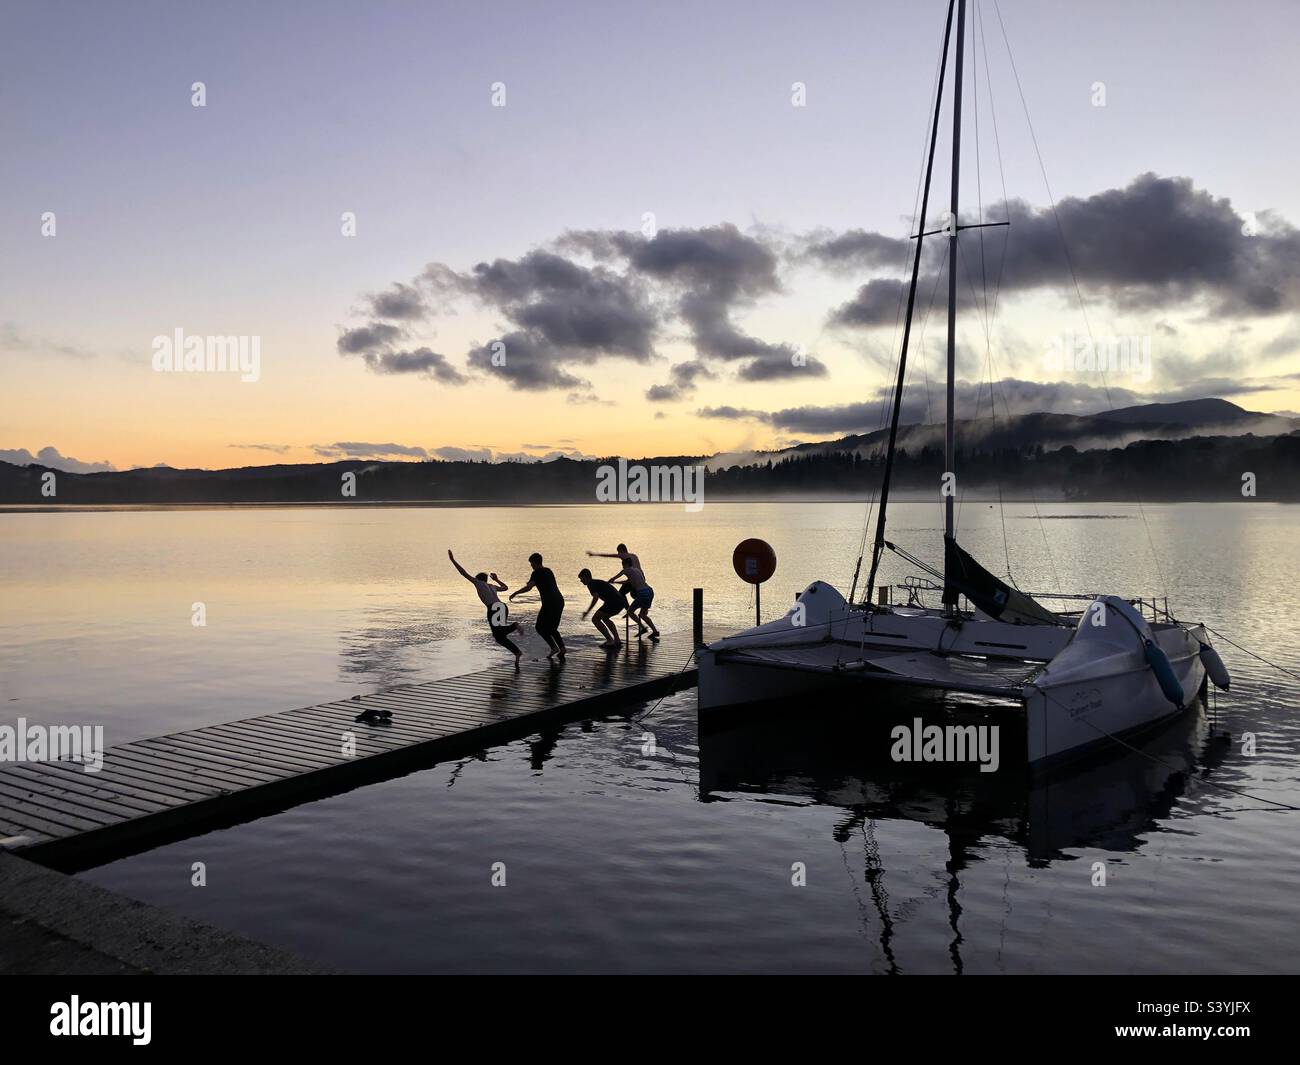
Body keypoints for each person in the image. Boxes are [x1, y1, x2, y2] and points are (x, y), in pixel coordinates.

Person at [448, 549, 521, 666]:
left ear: (478, 579)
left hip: (493, 609)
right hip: (502, 606)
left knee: (498, 635)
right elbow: (505, 588)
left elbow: (463, 572)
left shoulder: (478, 582)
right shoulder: (491, 585)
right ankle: (517, 652)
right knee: (500, 635)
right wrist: (496, 579)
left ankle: (514, 626)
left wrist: (452, 560)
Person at [510, 552, 566, 659]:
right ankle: (562, 649)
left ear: (535, 563)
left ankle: (554, 648)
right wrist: (531, 583)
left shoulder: (536, 573)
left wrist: (516, 592)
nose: (531, 566)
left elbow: (529, 587)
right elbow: (542, 582)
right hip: (559, 601)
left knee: (539, 627)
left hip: (550, 603)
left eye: (531, 563)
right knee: (552, 628)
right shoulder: (548, 571)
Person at [609, 556, 659, 640]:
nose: (623, 567)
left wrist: (612, 579)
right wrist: (615, 582)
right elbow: (628, 582)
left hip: (642, 594)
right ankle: (654, 631)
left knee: (630, 612)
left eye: (623, 565)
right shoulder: (637, 570)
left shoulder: (627, 569)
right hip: (649, 591)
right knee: (643, 615)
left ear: (626, 564)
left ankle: (643, 628)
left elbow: (619, 574)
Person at [578, 568, 627, 649]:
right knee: (605, 618)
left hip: (614, 602)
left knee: (595, 619)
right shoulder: (596, 582)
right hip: (620, 602)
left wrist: (587, 611)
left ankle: (610, 640)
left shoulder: (591, 584)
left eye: (581, 578)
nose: (581, 581)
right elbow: (608, 592)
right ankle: (617, 640)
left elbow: (595, 598)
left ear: (586, 577)